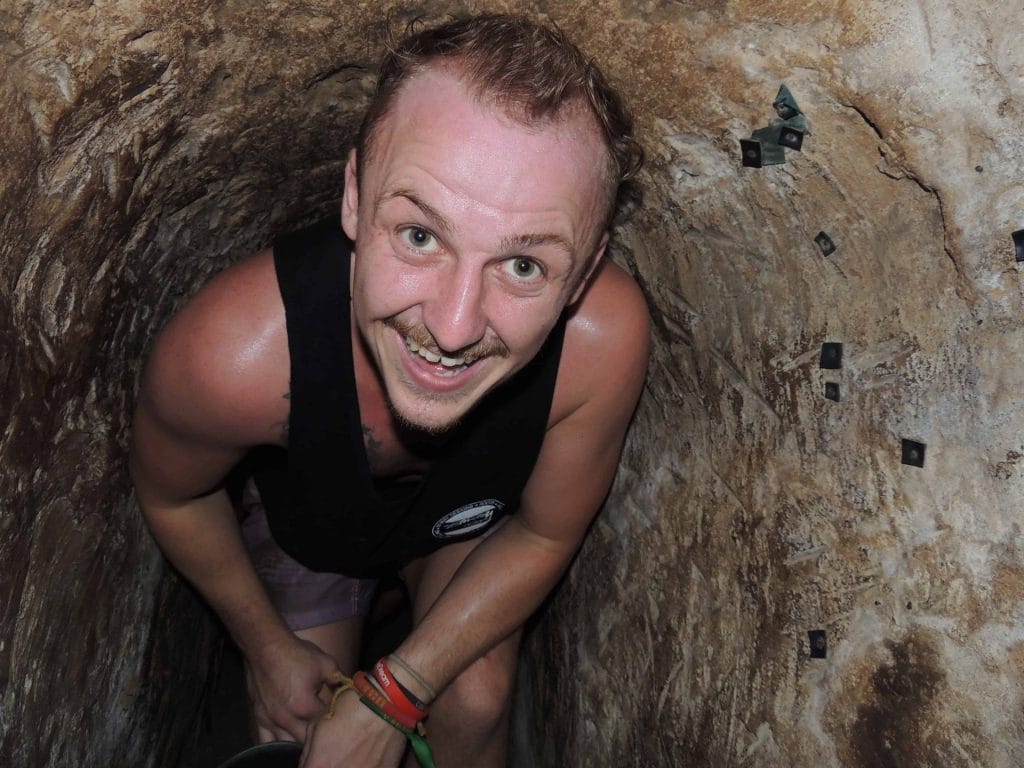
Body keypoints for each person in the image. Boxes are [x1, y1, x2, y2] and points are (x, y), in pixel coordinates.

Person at [129, 13, 649, 768]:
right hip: (308, 529)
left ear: (585, 272)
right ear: (353, 197)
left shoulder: (601, 347)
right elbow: (174, 496)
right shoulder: (233, 356)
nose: (453, 324)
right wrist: (265, 648)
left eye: (524, 266)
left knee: (472, 697)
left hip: (458, 530)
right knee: (300, 736)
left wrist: (397, 691)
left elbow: (543, 531)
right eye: (419, 235)